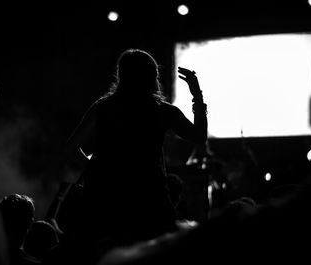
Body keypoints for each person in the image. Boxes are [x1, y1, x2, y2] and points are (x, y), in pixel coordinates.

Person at [63, 48, 207, 260]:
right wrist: (197, 96)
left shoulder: (102, 108)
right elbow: (199, 136)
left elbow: (70, 148)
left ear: (122, 75)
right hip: (152, 202)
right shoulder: (163, 111)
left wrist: (94, 166)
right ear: (151, 77)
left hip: (106, 203)